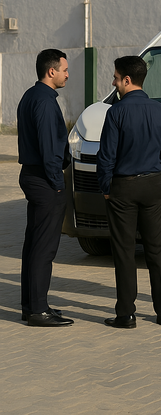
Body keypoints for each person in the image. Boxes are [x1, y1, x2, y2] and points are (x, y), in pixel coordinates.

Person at [97, 56, 161, 328]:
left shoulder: (116, 113)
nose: (113, 82)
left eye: (116, 78)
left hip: (123, 187)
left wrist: (106, 187)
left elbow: (106, 157)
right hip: (153, 184)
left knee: (124, 251)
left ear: (127, 80)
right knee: (157, 249)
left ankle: (126, 314)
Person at [17, 49, 74, 327]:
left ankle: (33, 305)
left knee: (34, 245)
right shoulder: (44, 101)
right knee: (44, 248)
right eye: (64, 69)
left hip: (33, 176)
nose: (67, 74)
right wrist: (57, 184)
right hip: (43, 180)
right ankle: (37, 310)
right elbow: (48, 147)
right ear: (51, 71)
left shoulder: (32, 95)